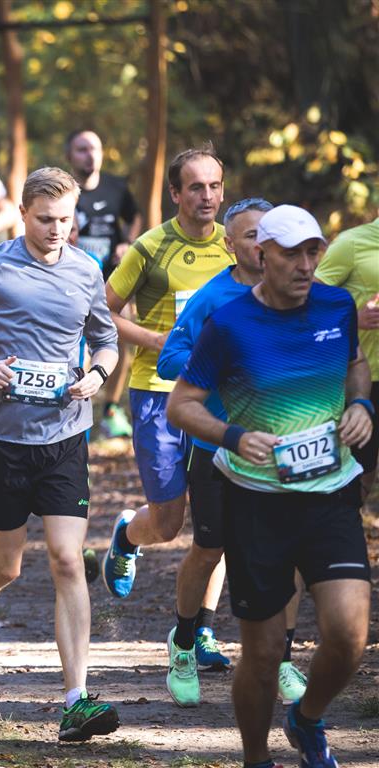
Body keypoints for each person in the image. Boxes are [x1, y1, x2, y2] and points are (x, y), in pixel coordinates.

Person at [168, 204, 373, 768]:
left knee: (349, 634)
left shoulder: (337, 304)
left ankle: (306, 720)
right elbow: (180, 405)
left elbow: (354, 363)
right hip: (256, 502)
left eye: (314, 252)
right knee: (261, 657)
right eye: (292, 254)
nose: (306, 265)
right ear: (263, 256)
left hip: (330, 492)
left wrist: (360, 403)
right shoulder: (229, 324)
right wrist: (232, 435)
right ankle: (256, 759)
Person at [0, 167, 120, 741]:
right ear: (25, 215)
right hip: (2, 439)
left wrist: (98, 373)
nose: (56, 230)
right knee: (7, 565)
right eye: (45, 219)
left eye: (65, 219)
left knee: (65, 559)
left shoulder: (86, 269)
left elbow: (104, 337)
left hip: (64, 435)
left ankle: (76, 699)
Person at [156, 197, 309, 707]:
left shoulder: (296, 295)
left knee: (288, 555)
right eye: (249, 236)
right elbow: (170, 356)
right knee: (210, 548)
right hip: (216, 443)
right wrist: (221, 366)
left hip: (282, 443)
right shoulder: (213, 297)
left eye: (268, 235)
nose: (261, 244)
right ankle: (183, 643)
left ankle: (283, 659)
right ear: (230, 244)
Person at [100, 148, 235, 683]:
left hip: (218, 395)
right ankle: (126, 537)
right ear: (175, 194)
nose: (207, 197)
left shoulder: (237, 245)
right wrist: (159, 338)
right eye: (195, 187)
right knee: (169, 520)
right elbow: (103, 311)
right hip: (157, 391)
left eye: (215, 186)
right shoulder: (150, 247)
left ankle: (201, 630)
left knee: (214, 523)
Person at [65, 129, 144, 439]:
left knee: (119, 336)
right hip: (71, 278)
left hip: (110, 278)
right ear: (70, 156)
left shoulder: (116, 186)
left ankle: (110, 408)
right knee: (76, 344)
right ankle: (75, 408)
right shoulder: (64, 189)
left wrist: (128, 241)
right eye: (82, 149)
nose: (90, 155)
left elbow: (134, 215)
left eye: (94, 148)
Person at [316, 211, 379, 501]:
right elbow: (309, 300)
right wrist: (354, 317)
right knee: (360, 469)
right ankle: (343, 529)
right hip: (361, 378)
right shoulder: (352, 243)